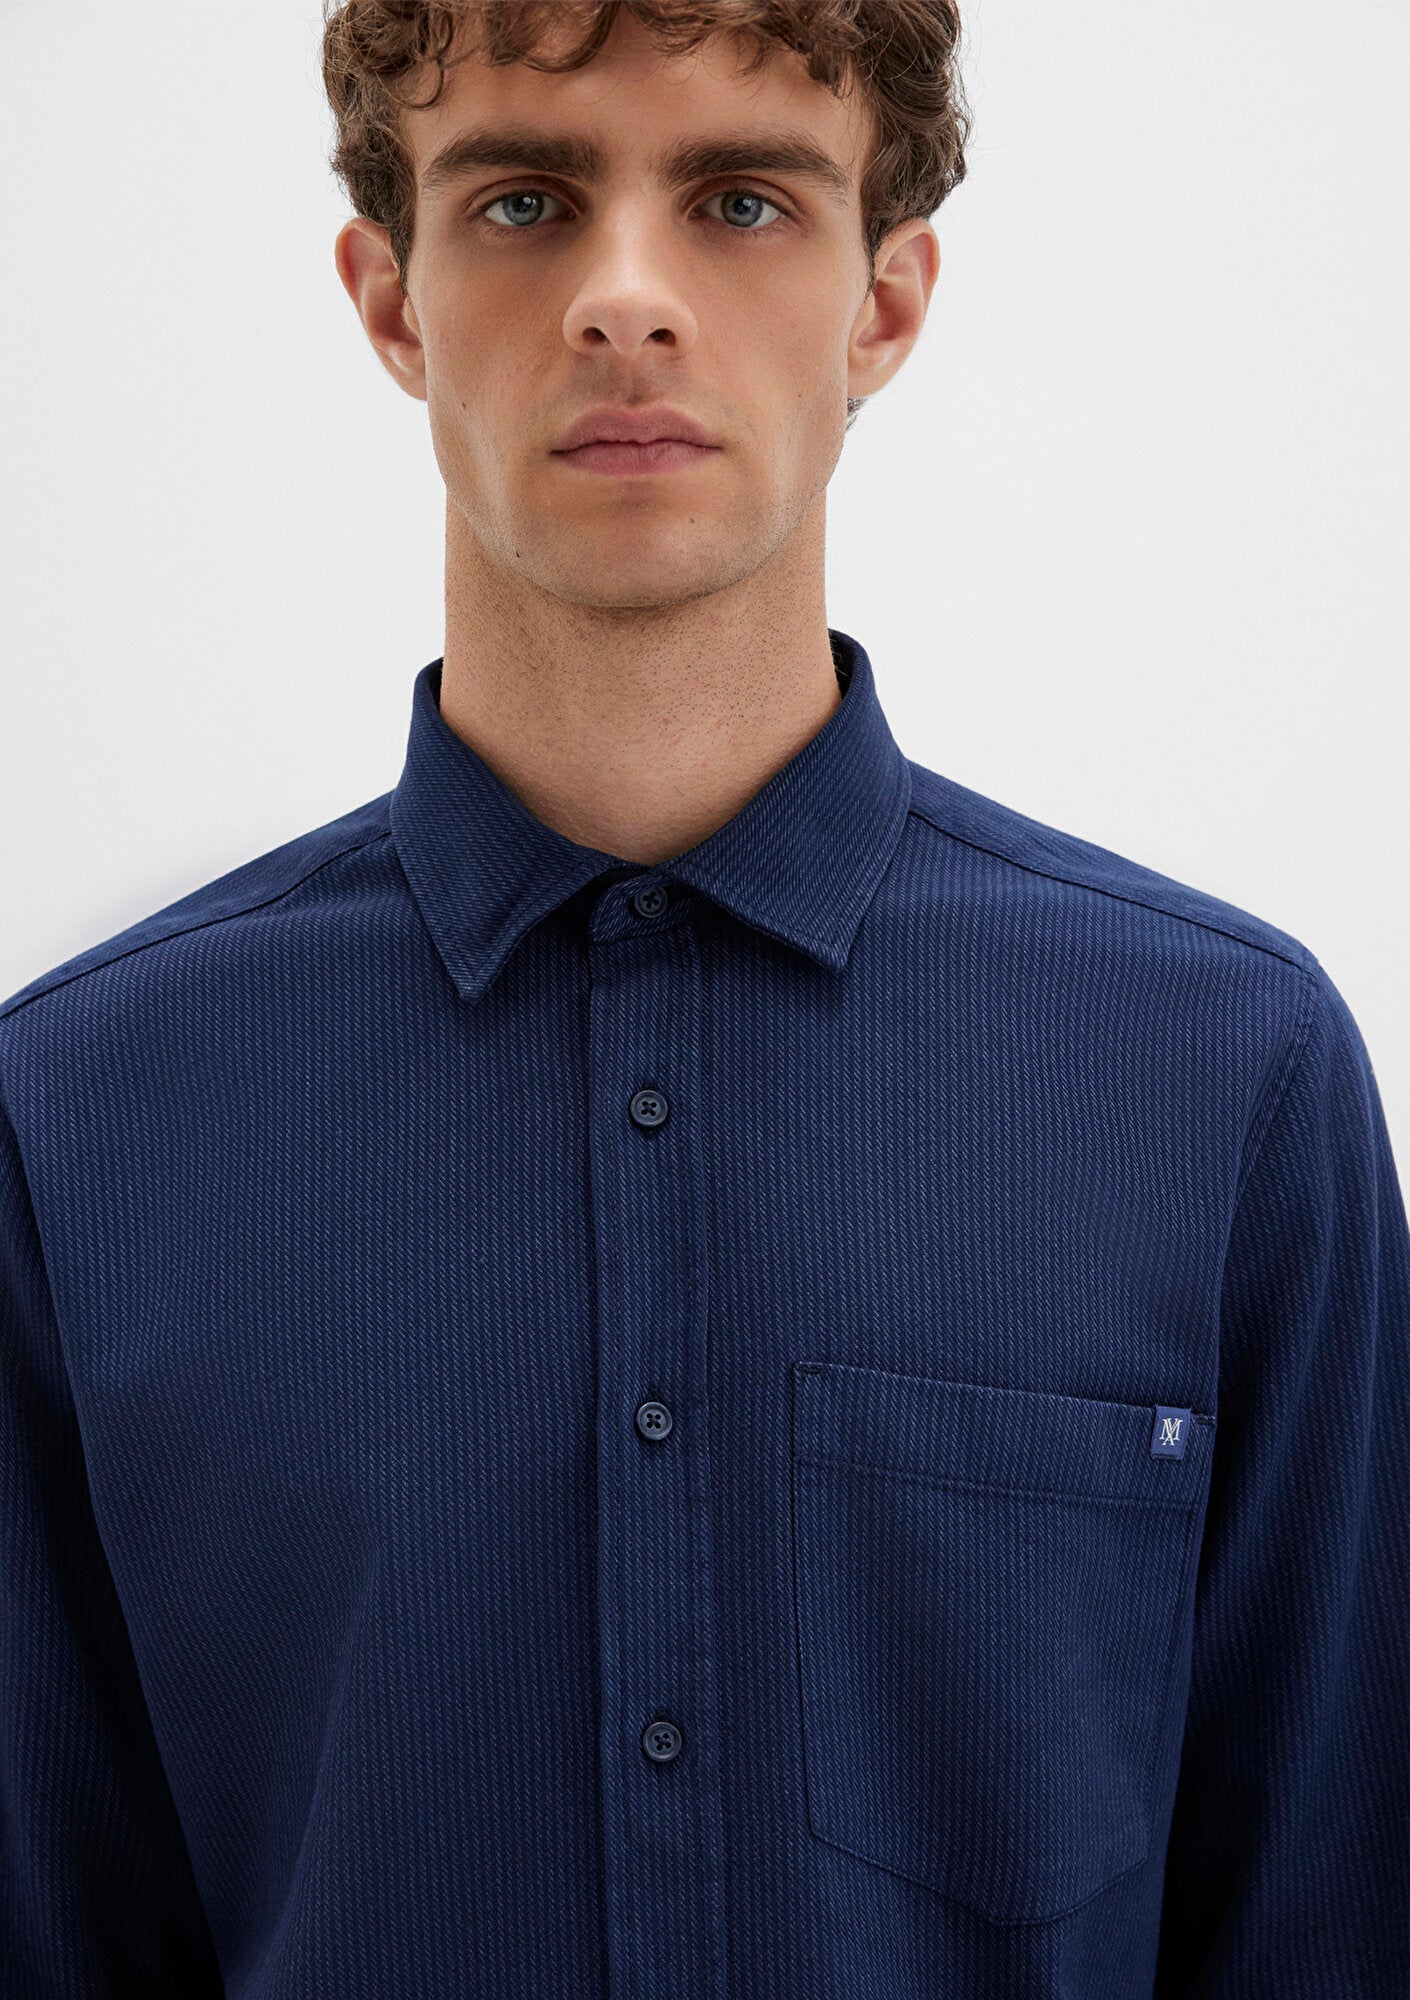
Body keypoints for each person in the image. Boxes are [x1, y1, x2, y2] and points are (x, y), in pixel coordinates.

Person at [2, 2, 1406, 1994]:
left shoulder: (1227, 1081)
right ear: (391, 302)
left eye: (743, 199)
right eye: (522, 200)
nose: (626, 297)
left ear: (883, 304)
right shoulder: (78, 1121)